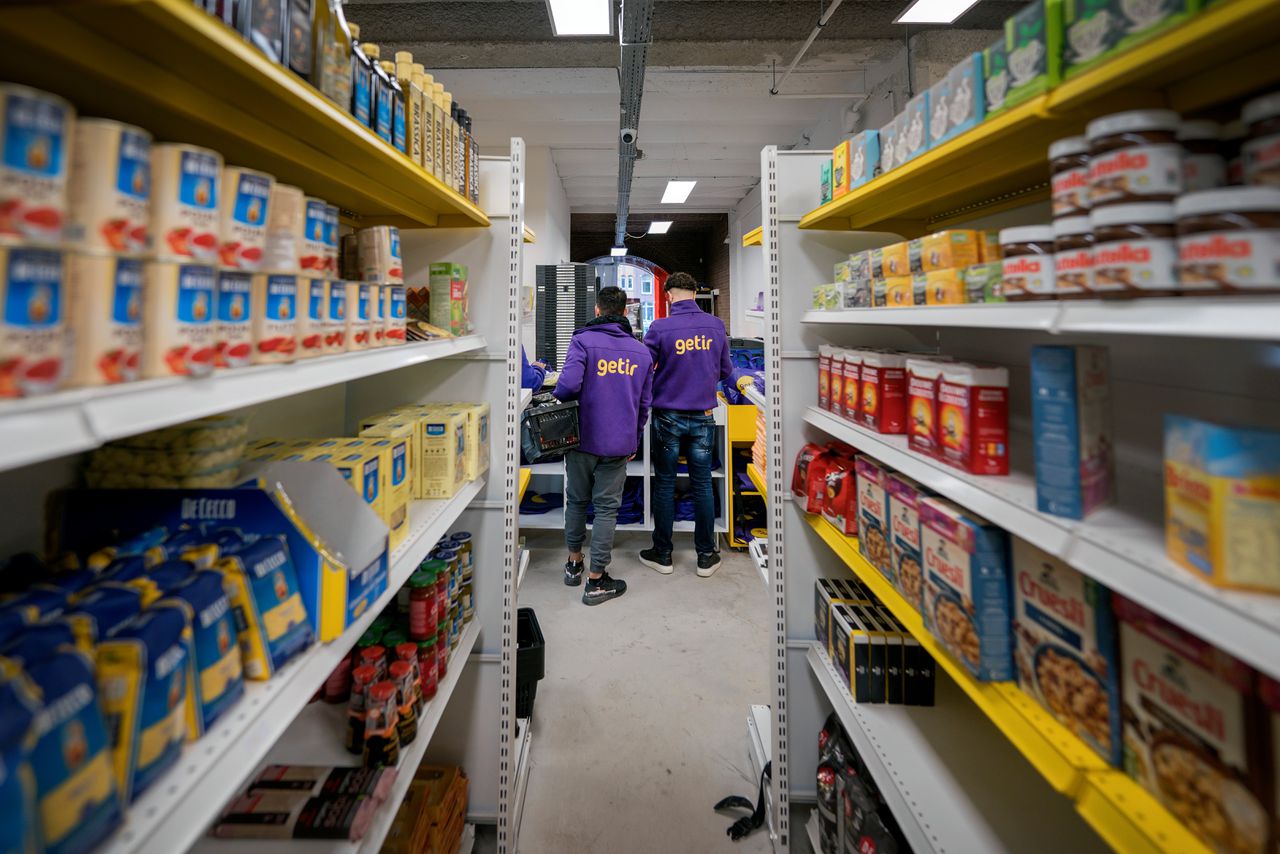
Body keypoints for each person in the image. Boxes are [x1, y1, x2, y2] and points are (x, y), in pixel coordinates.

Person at [639, 272, 753, 578]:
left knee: (664, 483)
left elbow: (643, 367)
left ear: (668, 296)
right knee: (702, 483)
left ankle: (662, 554)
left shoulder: (660, 327)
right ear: (695, 293)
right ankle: (706, 555)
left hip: (667, 415)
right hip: (703, 414)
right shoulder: (715, 326)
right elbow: (726, 369)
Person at [552, 286, 653, 605]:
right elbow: (644, 403)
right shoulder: (642, 352)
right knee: (607, 508)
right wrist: (634, 436)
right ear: (624, 313)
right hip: (619, 442)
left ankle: (573, 563)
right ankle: (596, 579)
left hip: (582, 439)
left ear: (597, 310)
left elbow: (567, 387)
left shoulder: (582, 340)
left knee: (577, 500)